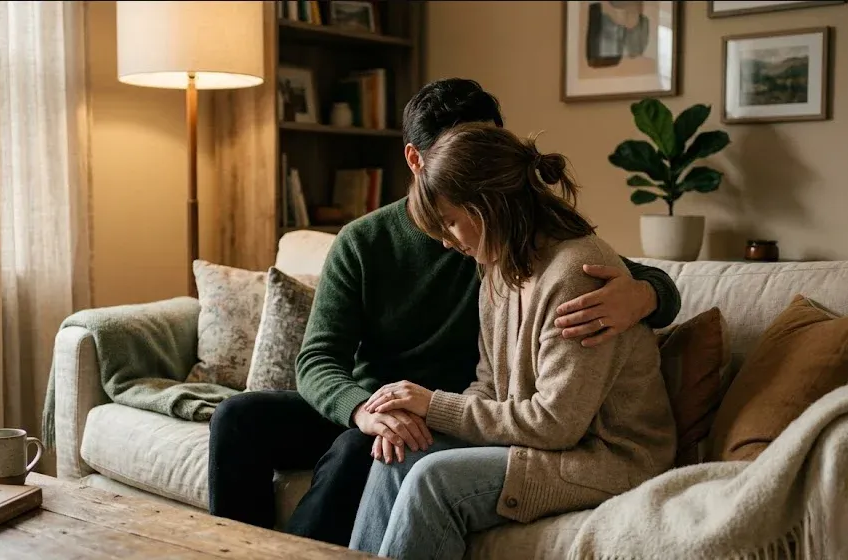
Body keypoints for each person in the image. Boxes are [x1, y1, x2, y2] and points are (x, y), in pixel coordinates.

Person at [206, 78, 681, 547]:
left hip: (456, 410)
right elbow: (317, 359)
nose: (480, 161)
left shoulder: (515, 244)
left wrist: (647, 295)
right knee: (237, 417)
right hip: (386, 401)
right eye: (461, 152)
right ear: (417, 160)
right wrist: (362, 409)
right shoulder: (380, 242)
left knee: (370, 451)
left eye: (487, 148)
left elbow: (600, 270)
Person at [349, 123, 677, 559]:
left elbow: (555, 424)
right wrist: (421, 422)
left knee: (433, 479)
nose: (447, 243)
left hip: (609, 457)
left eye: (450, 223)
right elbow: (489, 384)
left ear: (487, 206)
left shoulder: (577, 275)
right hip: (538, 443)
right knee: (397, 452)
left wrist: (433, 405)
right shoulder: (498, 269)